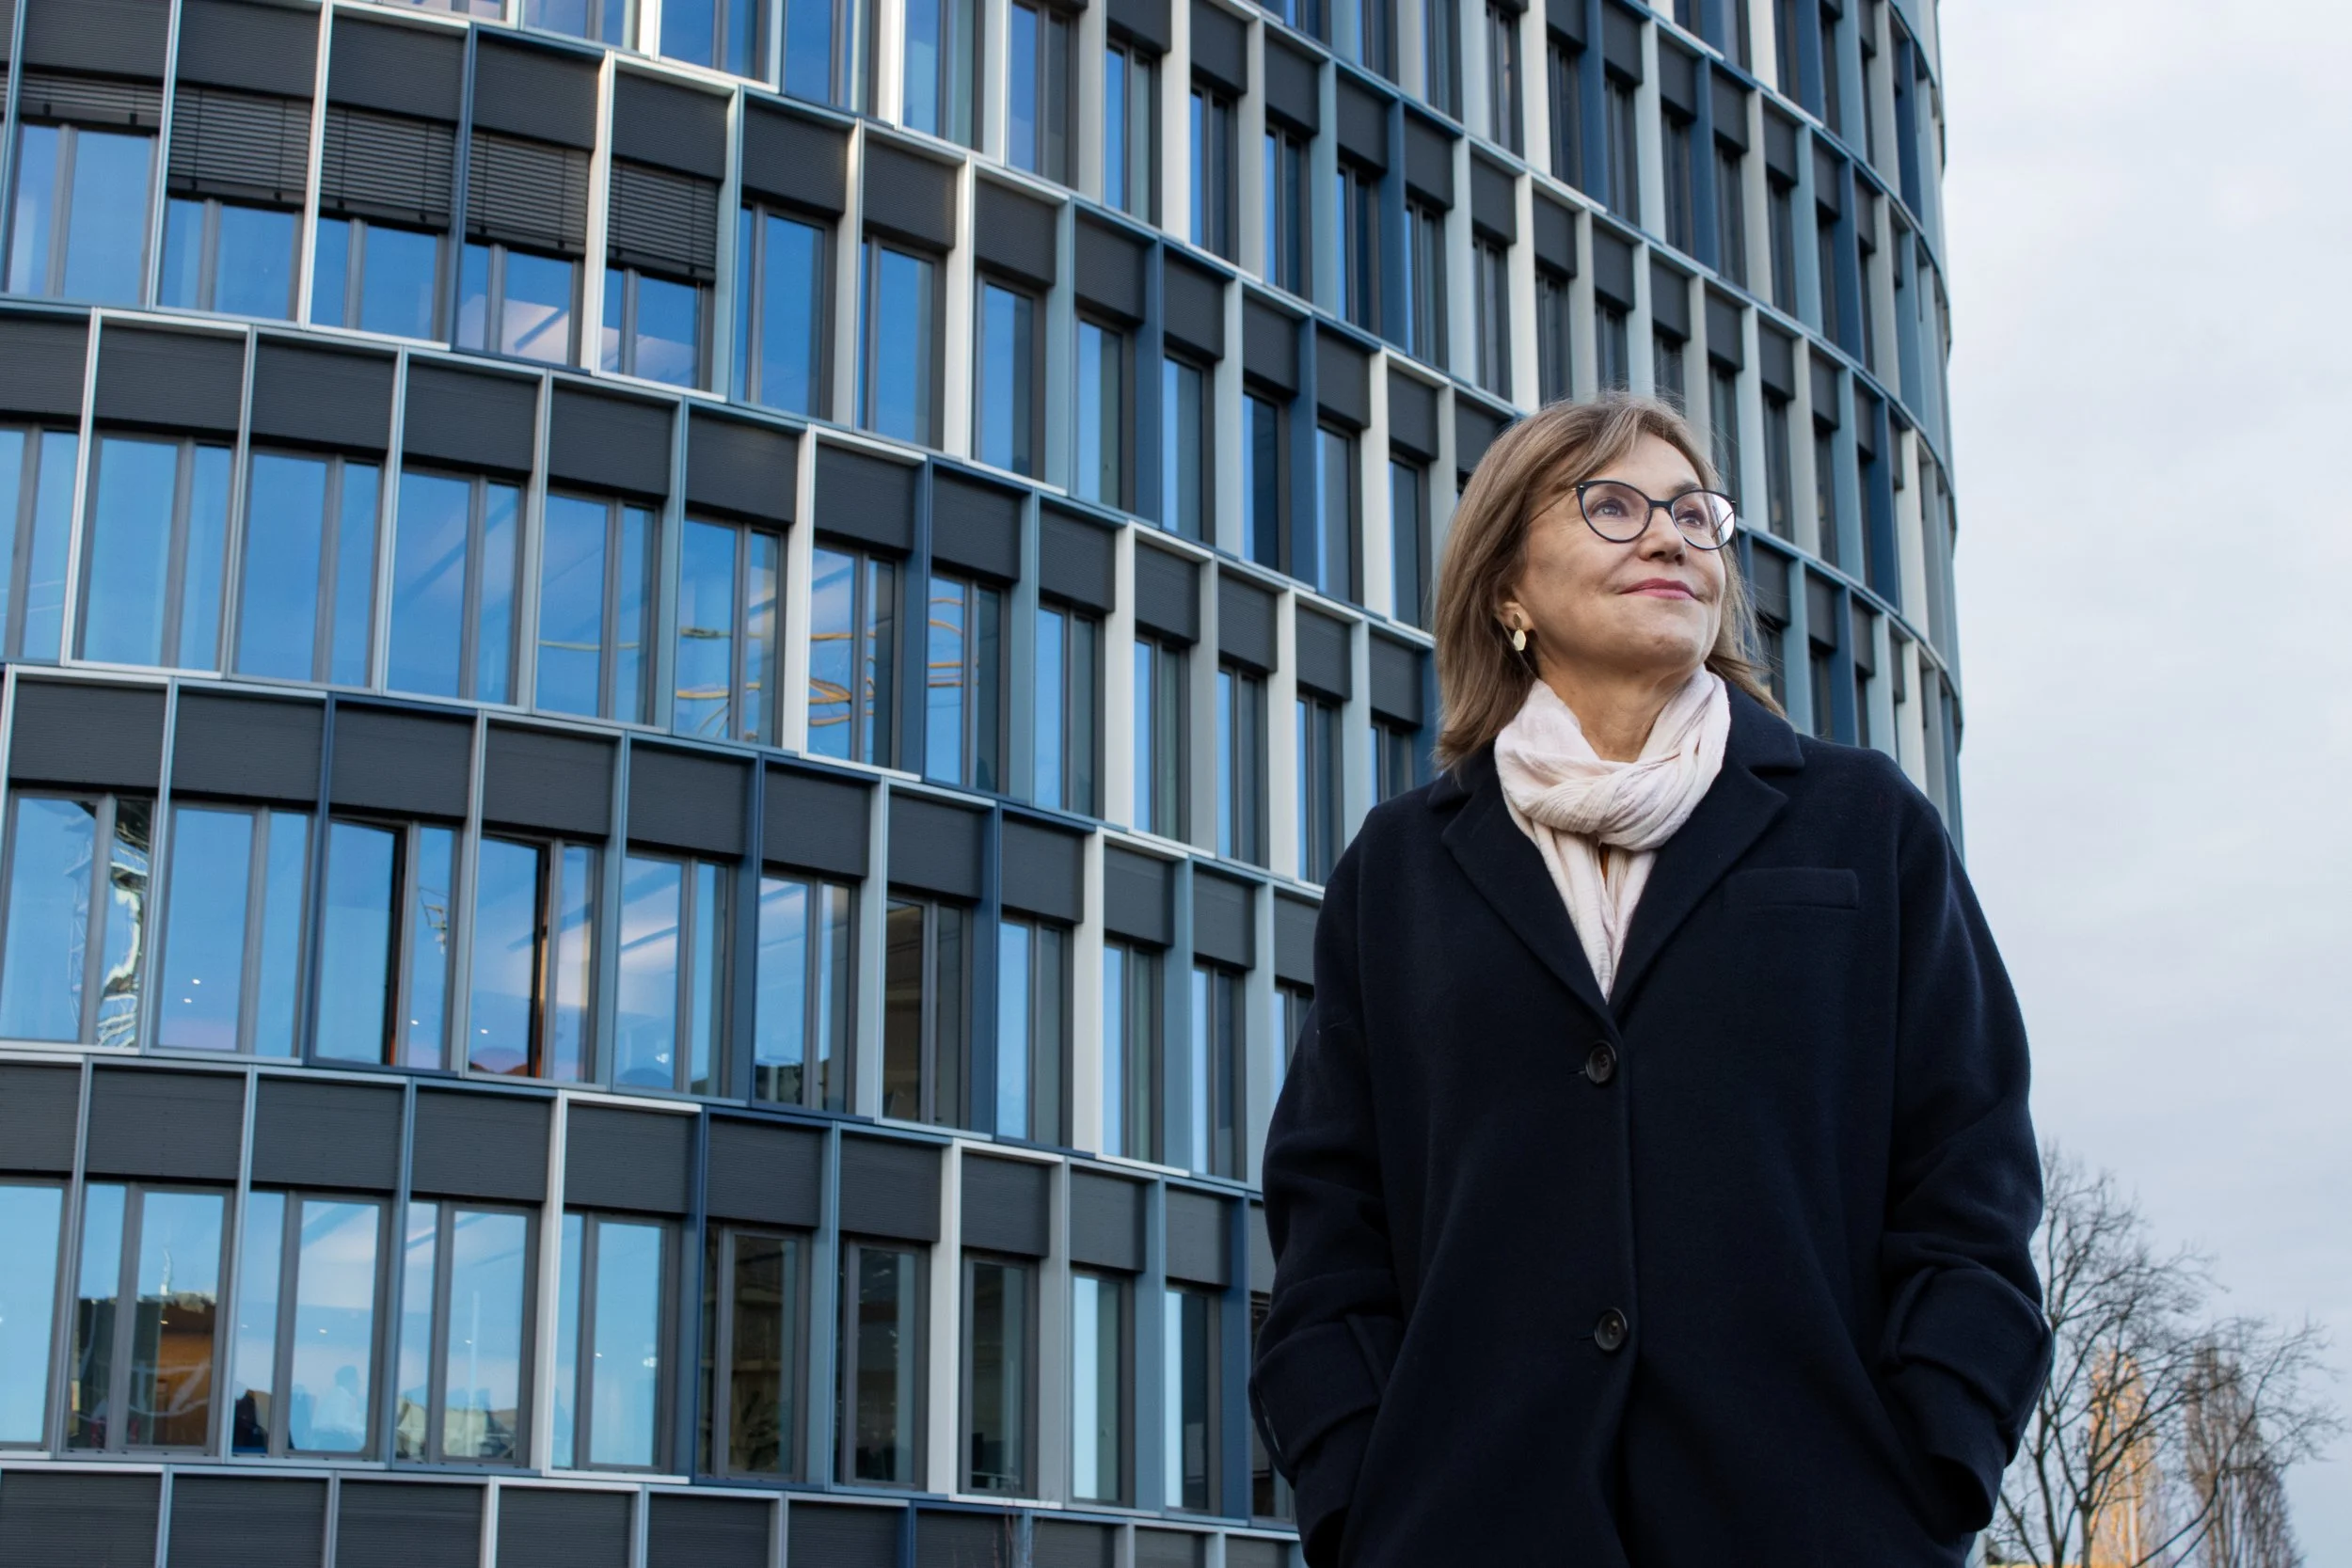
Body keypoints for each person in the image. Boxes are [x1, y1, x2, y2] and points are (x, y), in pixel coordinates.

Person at [1248, 394, 2049, 1566]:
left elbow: (1969, 1165)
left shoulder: (1863, 821)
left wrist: (1936, 1450)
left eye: (1692, 511)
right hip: (1466, 1524)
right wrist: (1352, 1481)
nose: (1670, 535)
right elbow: (1330, 1212)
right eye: (1612, 505)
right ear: (1507, 589)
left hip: (1819, 1518)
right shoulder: (1402, 865)